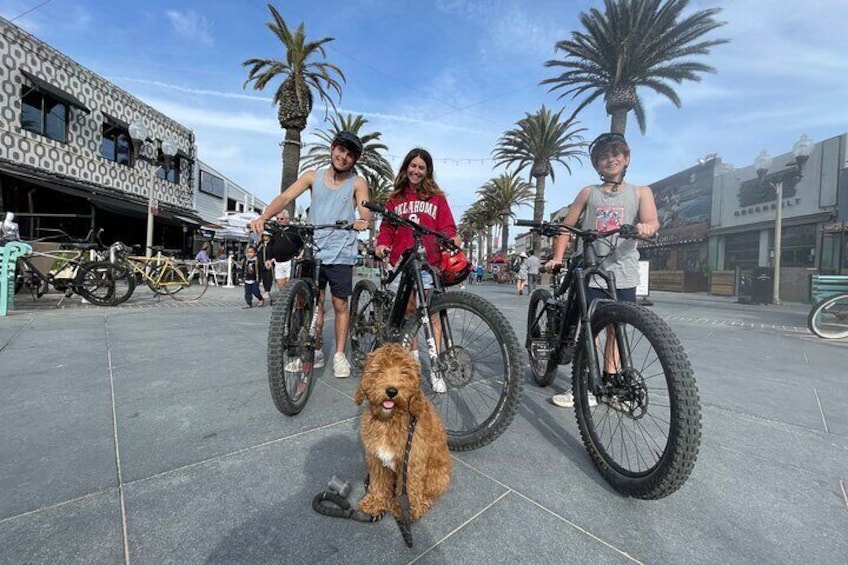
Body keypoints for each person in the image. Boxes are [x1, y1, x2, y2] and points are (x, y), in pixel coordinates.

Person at [546, 132, 659, 409]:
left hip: (624, 272)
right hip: (593, 270)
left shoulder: (641, 192)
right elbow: (567, 226)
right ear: (597, 164)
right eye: (604, 156)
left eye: (616, 153)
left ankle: (608, 381)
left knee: (616, 328)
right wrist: (558, 256)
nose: (611, 159)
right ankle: (584, 385)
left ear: (627, 158)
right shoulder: (589, 192)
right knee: (590, 329)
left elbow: (652, 221)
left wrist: (647, 227)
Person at [249, 131, 371, 378]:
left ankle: (339, 355)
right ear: (332, 148)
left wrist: (363, 220)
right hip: (313, 250)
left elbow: (365, 208)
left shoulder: (357, 182)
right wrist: (264, 217)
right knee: (310, 302)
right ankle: (312, 351)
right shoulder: (312, 177)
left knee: (339, 304)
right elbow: (285, 197)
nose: (343, 157)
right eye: (341, 150)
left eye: (350, 154)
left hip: (340, 252)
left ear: (354, 159)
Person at [374, 147, 462, 393]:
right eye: (413, 166)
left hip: (427, 261)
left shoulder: (437, 198)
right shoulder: (395, 199)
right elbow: (387, 228)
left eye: (421, 167)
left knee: (432, 312)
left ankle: (434, 367)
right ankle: (413, 361)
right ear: (406, 167)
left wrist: (452, 237)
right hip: (403, 261)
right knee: (409, 312)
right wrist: (382, 243)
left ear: (427, 171)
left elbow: (447, 225)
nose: (416, 170)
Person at [272, 211, 293, 291]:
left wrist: (300, 254)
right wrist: (270, 258)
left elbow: (301, 243)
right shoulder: (275, 230)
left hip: (289, 260)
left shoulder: (294, 230)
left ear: (287, 219)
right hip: (278, 261)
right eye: (277, 219)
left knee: (289, 284)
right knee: (280, 284)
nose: (279, 220)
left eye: (281, 218)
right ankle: (282, 302)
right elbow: (271, 244)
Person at [256, 230, 274, 300]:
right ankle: (265, 290)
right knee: (264, 278)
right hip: (261, 263)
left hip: (269, 263)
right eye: (263, 236)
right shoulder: (261, 244)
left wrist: (272, 260)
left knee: (268, 277)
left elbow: (274, 253)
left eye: (266, 236)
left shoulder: (272, 244)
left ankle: (267, 291)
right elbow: (257, 251)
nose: (264, 237)